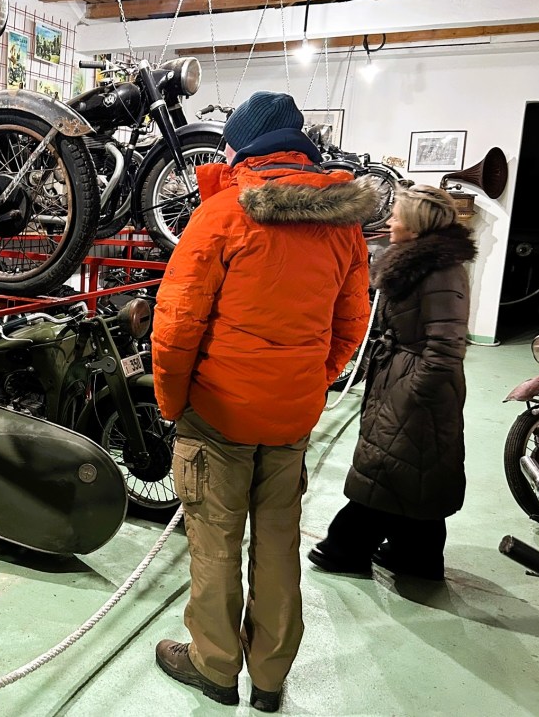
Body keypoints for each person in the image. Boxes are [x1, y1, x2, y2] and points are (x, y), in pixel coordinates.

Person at [151, 90, 376, 712]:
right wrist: (313, 378)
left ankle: (215, 667)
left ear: (242, 146)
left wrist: (173, 403)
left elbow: (175, 326)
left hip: (218, 414)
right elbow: (351, 324)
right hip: (292, 414)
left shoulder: (221, 215)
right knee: (278, 544)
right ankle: (271, 680)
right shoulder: (342, 224)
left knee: (215, 543)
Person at [308, 185, 475, 581]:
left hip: (416, 388)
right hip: (402, 378)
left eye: (398, 214)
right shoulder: (423, 263)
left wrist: (413, 391)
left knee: (386, 466)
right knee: (415, 471)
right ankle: (416, 556)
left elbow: (447, 345)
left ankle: (346, 547)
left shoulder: (440, 271)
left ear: (416, 226)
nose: (390, 220)